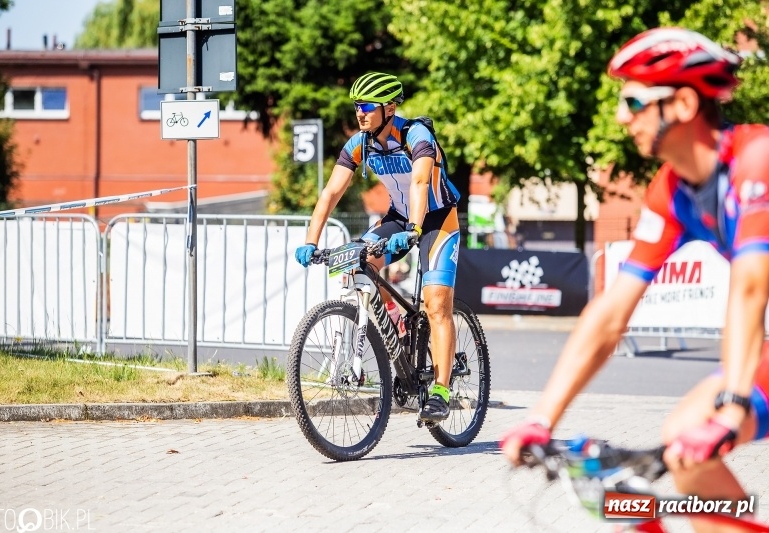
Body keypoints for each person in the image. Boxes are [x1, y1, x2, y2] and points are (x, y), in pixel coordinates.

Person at [501, 27, 769, 533]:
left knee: (700, 433)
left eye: (635, 101)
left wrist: (732, 410)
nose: (623, 117)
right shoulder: (671, 190)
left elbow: (751, 287)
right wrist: (543, 418)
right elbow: (611, 312)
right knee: (687, 444)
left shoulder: (757, 159)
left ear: (685, 103)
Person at [294, 72, 462, 422]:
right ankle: (397, 322)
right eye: (357, 106)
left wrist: (415, 228)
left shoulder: (416, 134)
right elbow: (331, 193)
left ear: (389, 107)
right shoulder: (360, 143)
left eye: (367, 107)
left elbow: (419, 181)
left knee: (436, 304)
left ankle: (442, 391)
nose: (360, 113)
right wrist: (311, 241)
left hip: (436, 220)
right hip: (399, 218)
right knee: (354, 265)